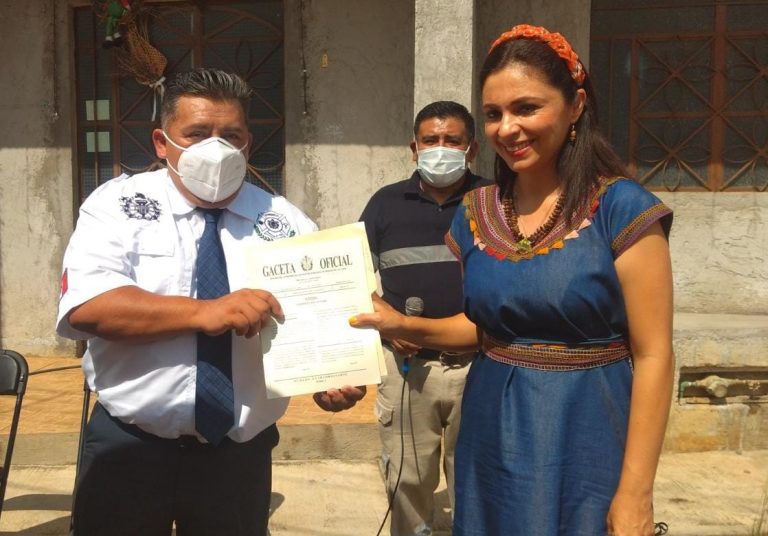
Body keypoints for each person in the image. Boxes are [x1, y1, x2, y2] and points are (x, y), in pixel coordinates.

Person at [351, 24, 674, 536]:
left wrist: (636, 494)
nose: (507, 128)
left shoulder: (622, 208)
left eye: (527, 108)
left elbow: (655, 354)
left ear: (575, 106)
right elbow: (483, 329)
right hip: (489, 435)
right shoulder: (477, 211)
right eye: (495, 114)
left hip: (587, 429)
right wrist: (401, 324)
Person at [56, 68, 365, 536]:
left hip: (238, 455)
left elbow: (315, 321)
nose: (215, 148)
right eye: (197, 134)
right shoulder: (116, 206)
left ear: (247, 143)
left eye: (230, 135)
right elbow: (89, 307)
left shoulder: (283, 221)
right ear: (162, 142)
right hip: (131, 448)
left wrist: (329, 377)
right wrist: (206, 312)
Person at [359, 101, 490, 536]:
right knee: (408, 481)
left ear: (471, 149)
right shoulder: (385, 203)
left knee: (478, 481)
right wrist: (391, 321)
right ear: (413, 148)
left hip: (483, 366)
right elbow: (353, 275)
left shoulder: (494, 201)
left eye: (452, 140)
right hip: (408, 370)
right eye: (431, 140)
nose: (441, 149)